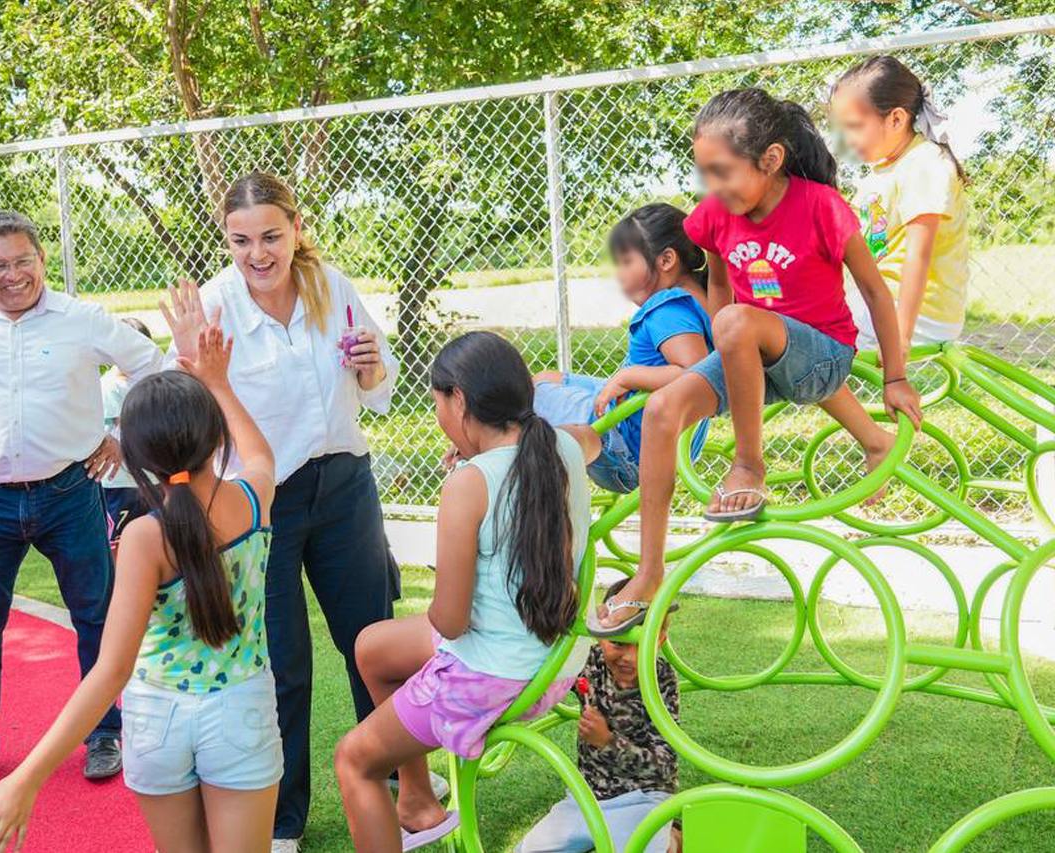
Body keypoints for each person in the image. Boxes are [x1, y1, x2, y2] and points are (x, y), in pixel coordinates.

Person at [592, 89, 922, 636]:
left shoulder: (821, 208)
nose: (713, 188)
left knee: (737, 324)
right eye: (704, 174)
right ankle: (649, 573)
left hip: (821, 357)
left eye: (722, 172)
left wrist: (895, 377)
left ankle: (749, 466)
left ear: (770, 160)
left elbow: (874, 291)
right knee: (661, 410)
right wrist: (717, 367)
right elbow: (719, 283)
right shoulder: (715, 217)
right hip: (753, 353)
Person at [0, 326, 279, 853]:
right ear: (216, 440)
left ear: (136, 458)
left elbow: (110, 670)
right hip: (241, 710)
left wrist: (28, 777)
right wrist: (219, 383)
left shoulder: (143, 537)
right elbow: (262, 457)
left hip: (158, 720)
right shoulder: (253, 499)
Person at [164, 171, 405, 852]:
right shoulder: (211, 305)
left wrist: (370, 367)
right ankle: (282, 819)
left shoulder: (332, 286)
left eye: (271, 235)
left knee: (372, 641)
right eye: (241, 240)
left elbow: (379, 381)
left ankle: (394, 779)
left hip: (345, 487)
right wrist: (185, 364)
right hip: (262, 503)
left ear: (296, 228)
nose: (257, 253)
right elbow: (175, 406)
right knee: (282, 664)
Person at [0, 210, 163, 799]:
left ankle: (105, 733)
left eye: (24, 260)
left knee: (97, 615)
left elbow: (151, 365)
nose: (14, 274)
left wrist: (124, 434)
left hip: (69, 492)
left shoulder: (81, 319)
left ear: (41, 259)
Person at [334, 331, 597, 853]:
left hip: (489, 678)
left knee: (354, 760)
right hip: (558, 663)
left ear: (459, 400)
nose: (438, 417)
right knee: (372, 647)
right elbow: (590, 438)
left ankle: (401, 793)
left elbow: (449, 622)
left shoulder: (467, 485)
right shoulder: (563, 447)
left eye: (438, 404)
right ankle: (416, 800)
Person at [533, 203, 714, 494]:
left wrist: (626, 378)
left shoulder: (666, 308)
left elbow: (700, 376)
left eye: (626, 262)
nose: (619, 274)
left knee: (530, 398)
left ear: (666, 259)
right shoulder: (701, 297)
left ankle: (491, 461)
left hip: (632, 451)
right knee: (544, 379)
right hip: (665, 438)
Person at [519, 579, 680, 853]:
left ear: (660, 640)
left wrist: (607, 742)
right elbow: (547, 661)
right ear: (600, 637)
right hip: (586, 797)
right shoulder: (590, 662)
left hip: (641, 798)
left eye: (642, 644)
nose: (630, 657)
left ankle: (673, 837)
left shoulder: (661, 679)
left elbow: (664, 765)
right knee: (528, 850)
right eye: (618, 642)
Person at [831, 54, 969, 353]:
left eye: (855, 126)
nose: (848, 139)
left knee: (802, 336)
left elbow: (918, 255)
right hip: (879, 303)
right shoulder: (882, 171)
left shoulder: (924, 164)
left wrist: (900, 336)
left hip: (918, 314)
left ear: (895, 118)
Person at [102, 317, 157, 557]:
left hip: (152, 480)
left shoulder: (154, 383)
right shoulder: (108, 388)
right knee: (119, 545)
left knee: (153, 539)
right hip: (119, 483)